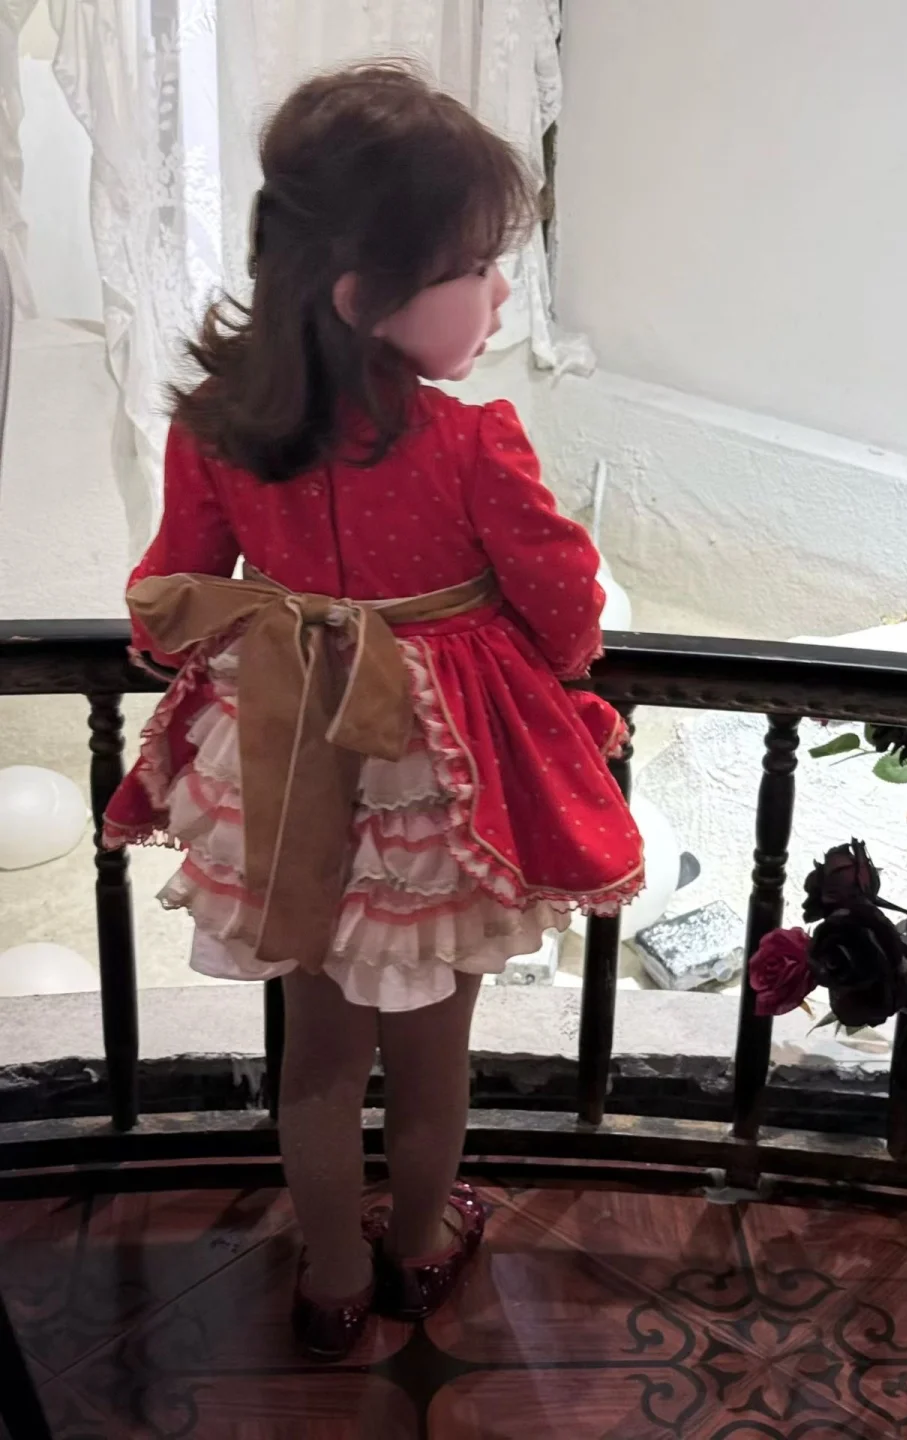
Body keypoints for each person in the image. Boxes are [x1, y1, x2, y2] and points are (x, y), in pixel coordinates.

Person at [103, 62, 643, 1361]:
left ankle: (331, 1275)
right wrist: (540, 663)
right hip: (428, 784)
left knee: (317, 1055)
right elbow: (567, 607)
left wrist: (267, 630)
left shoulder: (214, 429)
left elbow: (168, 596)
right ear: (362, 296)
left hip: (284, 765)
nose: (500, 293)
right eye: (475, 267)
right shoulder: (475, 443)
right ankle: (416, 1245)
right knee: (432, 1047)